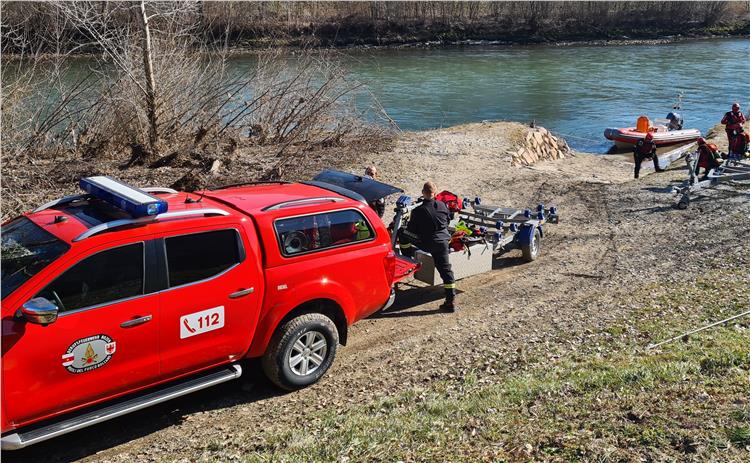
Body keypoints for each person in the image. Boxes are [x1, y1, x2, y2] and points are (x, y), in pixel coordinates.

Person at [404, 181, 457, 312]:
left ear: (423, 193)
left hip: (427, 243)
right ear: (436, 193)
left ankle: (406, 258)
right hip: (443, 242)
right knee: (446, 271)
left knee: (402, 233)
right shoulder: (443, 206)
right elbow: (447, 220)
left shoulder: (418, 211)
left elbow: (412, 230)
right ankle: (451, 301)